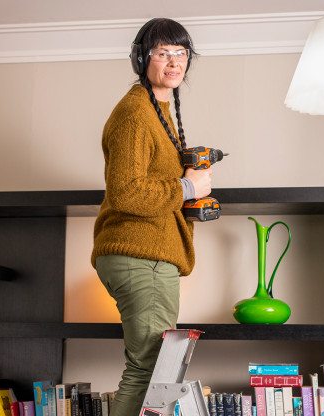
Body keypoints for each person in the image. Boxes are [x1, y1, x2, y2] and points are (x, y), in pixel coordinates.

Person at [90, 18, 212, 416]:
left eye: (181, 53)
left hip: (149, 258)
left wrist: (187, 191)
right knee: (148, 368)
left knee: (154, 368)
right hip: (143, 258)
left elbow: (151, 185)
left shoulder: (156, 110)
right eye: (163, 53)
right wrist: (190, 188)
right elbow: (126, 191)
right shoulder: (134, 113)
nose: (174, 62)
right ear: (142, 58)